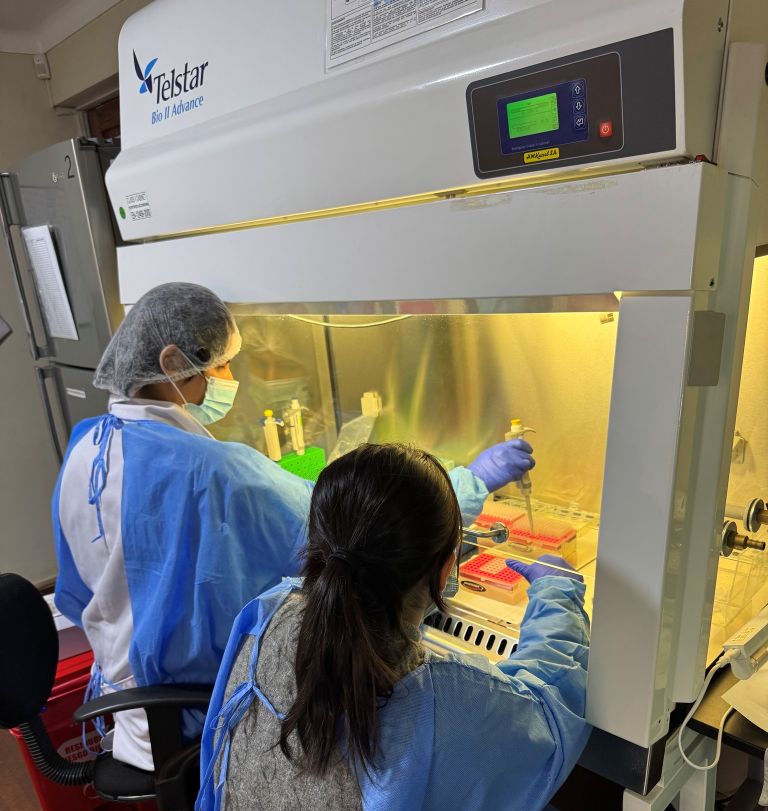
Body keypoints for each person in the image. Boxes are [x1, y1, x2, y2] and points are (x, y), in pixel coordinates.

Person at [52, 283, 535, 772]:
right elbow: (348, 527)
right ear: (174, 363)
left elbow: (80, 587)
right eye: (218, 364)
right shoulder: (213, 472)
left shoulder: (87, 448)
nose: (227, 375)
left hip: (131, 707)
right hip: (205, 720)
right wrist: (470, 482)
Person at [193, 443, 609, 811]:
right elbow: (548, 711)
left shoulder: (267, 615)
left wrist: (469, 483)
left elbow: (371, 536)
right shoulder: (434, 698)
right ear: (444, 569)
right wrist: (558, 597)